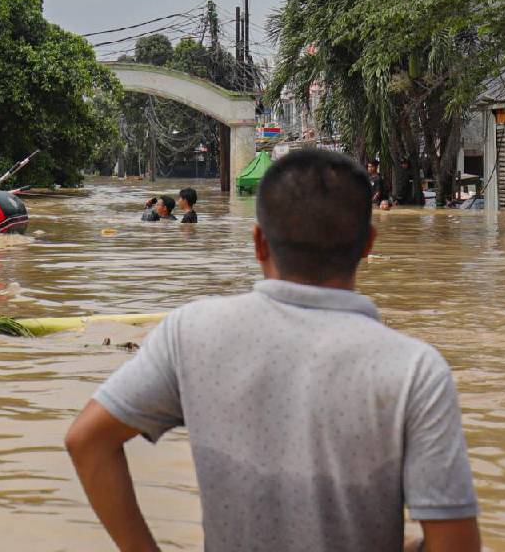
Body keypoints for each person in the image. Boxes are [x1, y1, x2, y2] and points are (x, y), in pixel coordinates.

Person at [65, 149, 480, 552]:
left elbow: (87, 440)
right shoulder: (415, 370)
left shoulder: (191, 332)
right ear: (367, 245)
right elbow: (457, 543)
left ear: (259, 242)